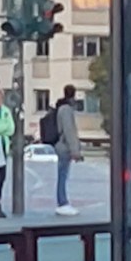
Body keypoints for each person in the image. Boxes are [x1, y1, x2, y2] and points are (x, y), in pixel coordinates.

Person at [54, 83, 83, 214]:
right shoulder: (66, 110)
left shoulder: (60, 108)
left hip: (61, 145)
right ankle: (62, 202)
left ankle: (62, 201)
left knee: (62, 174)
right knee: (63, 174)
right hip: (64, 146)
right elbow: (69, 131)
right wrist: (75, 151)